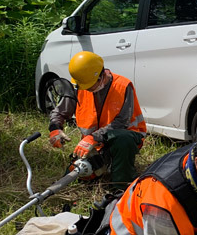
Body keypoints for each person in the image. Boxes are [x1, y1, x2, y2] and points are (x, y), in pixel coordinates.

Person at [48, 51, 146, 188]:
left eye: (89, 86)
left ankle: (121, 186)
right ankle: (102, 165)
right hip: (96, 144)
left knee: (122, 140)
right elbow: (59, 111)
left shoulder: (123, 86)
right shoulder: (81, 85)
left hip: (126, 138)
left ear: (101, 76)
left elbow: (121, 122)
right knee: (78, 173)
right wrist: (55, 129)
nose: (86, 90)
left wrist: (93, 137)